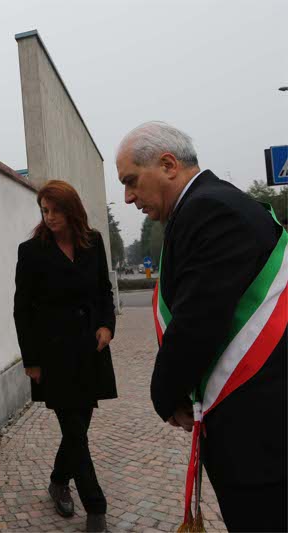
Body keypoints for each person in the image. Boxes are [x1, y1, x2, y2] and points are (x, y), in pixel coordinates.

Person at [116, 121, 287, 532]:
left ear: (169, 164)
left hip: (262, 437)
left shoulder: (210, 210)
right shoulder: (211, 205)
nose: (127, 197)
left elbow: (198, 321)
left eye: (131, 181)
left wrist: (167, 394)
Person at [13, 180, 118, 533]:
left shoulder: (94, 242)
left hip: (91, 350)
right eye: (45, 210)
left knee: (78, 429)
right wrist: (31, 360)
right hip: (53, 356)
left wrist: (107, 325)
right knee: (74, 429)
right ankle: (96, 508)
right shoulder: (31, 251)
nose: (50, 217)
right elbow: (22, 310)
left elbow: (104, 289)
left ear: (72, 210)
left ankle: (58, 480)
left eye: (56, 210)